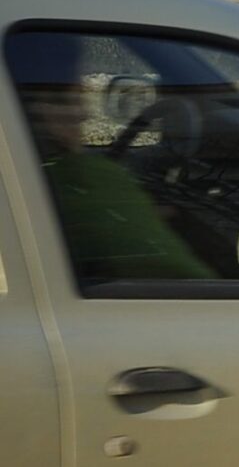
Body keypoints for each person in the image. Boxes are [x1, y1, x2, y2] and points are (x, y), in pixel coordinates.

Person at [7, 31, 214, 283]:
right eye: (69, 99)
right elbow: (189, 281)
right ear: (33, 107)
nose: (84, 114)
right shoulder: (84, 181)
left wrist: (139, 211)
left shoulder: (38, 186)